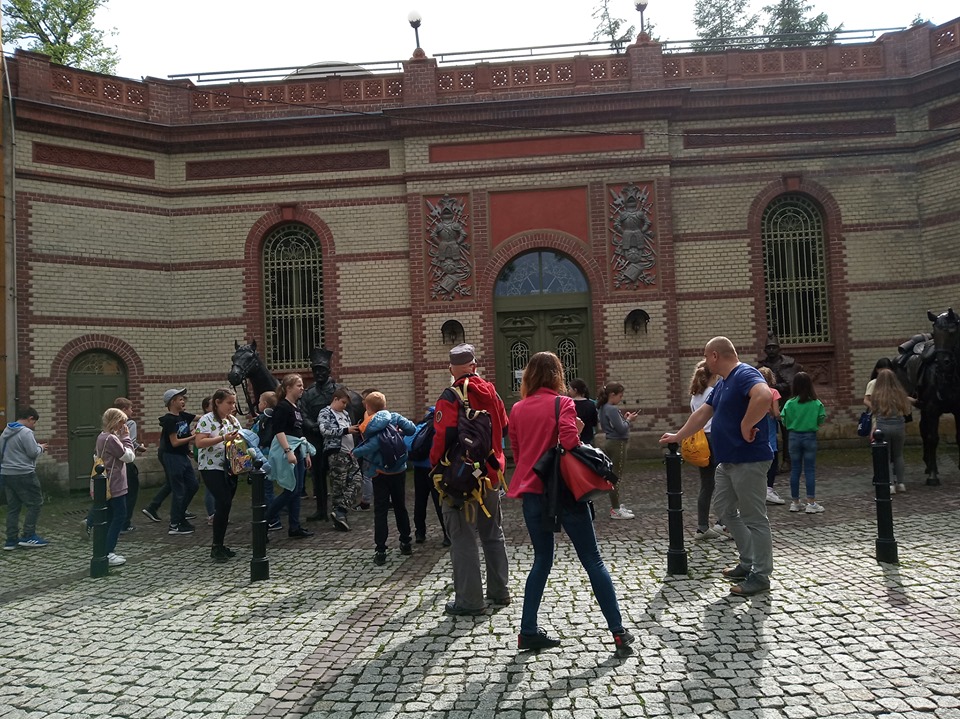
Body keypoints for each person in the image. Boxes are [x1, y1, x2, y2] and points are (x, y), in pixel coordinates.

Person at [508, 352, 635, 653]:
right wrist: (576, 431)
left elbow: (518, 452)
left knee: (541, 560)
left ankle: (527, 631)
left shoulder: (517, 409)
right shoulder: (563, 403)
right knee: (592, 559)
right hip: (564, 491)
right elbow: (568, 442)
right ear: (557, 375)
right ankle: (618, 632)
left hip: (532, 492)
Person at [660, 337, 774, 597]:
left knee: (755, 518)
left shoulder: (745, 374)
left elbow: (764, 395)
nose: (705, 361)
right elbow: (703, 413)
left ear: (714, 355)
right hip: (728, 461)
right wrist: (678, 436)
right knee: (724, 510)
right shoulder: (723, 382)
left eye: (705, 356)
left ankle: (761, 575)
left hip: (748, 459)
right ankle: (747, 562)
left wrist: (746, 424)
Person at [429, 343, 510, 615]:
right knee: (493, 533)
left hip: (461, 477)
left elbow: (442, 437)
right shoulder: (492, 392)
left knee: (463, 538)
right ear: (474, 366)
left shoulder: (451, 395)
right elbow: (504, 428)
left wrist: (435, 465)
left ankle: (470, 601)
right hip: (492, 473)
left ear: (452, 368)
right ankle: (499, 591)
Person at [300, 347, 363, 521]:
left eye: (322, 370)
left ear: (329, 371)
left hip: (338, 441)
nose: (319, 373)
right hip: (317, 440)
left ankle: (340, 509)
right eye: (315, 370)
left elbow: (349, 414)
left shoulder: (339, 391)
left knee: (342, 478)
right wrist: (312, 425)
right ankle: (321, 509)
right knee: (318, 474)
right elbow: (303, 413)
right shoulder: (309, 393)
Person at [353, 391, 416, 566]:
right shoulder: (394, 417)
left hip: (379, 472)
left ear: (367, 407)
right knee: (400, 506)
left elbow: (370, 446)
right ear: (385, 405)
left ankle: (381, 550)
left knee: (380, 511)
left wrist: (355, 453)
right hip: (399, 470)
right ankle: (405, 542)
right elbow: (411, 429)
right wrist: (400, 433)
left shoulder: (368, 425)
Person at [194, 388, 244, 561]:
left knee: (226, 506)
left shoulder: (232, 420)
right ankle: (216, 546)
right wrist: (223, 438)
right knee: (223, 501)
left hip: (230, 466)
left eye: (234, 403)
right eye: (229, 403)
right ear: (217, 402)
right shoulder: (206, 419)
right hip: (211, 467)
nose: (232, 406)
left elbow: (240, 438)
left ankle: (220, 544)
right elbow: (200, 442)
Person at [265, 374, 314, 539]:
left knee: (297, 490)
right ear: (288, 388)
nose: (302, 388)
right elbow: (279, 431)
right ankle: (264, 522)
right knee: (290, 491)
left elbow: (298, 432)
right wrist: (288, 451)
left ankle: (294, 527)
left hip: (298, 451)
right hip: (289, 452)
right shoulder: (282, 407)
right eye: (299, 385)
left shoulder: (296, 407)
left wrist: (305, 454)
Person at [688, 361, 726, 541]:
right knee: (724, 482)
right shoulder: (714, 392)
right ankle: (723, 523)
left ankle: (702, 527)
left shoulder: (695, 396)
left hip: (701, 440)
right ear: (714, 375)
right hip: (715, 439)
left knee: (706, 485)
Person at [1, 406, 49, 549]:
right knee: (35, 503)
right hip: (24, 473)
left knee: (13, 507)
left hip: (7, 473)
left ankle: (11, 540)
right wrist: (41, 447)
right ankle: (29, 535)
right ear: (30, 418)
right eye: (34, 422)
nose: (34, 426)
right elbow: (32, 452)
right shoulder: (26, 432)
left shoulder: (5, 431)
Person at [317, 388, 363, 531]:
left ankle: (341, 510)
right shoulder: (325, 412)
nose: (344, 406)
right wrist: (346, 430)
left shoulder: (345, 414)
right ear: (335, 399)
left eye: (346, 404)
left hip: (350, 452)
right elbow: (325, 431)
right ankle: (340, 517)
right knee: (339, 486)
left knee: (357, 480)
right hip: (336, 453)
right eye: (342, 402)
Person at [781, 372, 826, 513]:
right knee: (809, 470)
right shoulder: (816, 403)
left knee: (795, 469)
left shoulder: (789, 403)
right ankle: (811, 503)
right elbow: (821, 420)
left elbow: (784, 421)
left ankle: (795, 502)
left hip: (793, 437)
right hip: (810, 436)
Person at [95, 407, 136, 566]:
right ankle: (109, 551)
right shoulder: (111, 438)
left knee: (110, 516)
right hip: (115, 483)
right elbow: (128, 457)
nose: (123, 426)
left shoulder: (101, 436)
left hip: (107, 483)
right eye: (122, 423)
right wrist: (126, 438)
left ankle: (104, 549)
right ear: (116, 422)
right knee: (119, 516)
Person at [156, 389, 199, 535]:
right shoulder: (169, 420)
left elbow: (202, 418)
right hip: (172, 456)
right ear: (172, 402)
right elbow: (174, 442)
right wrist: (193, 437)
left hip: (182, 456)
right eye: (180, 399)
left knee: (193, 485)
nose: (183, 401)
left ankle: (181, 517)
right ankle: (174, 525)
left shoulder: (183, 416)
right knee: (179, 490)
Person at [408, 406, 450, 547]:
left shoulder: (421, 425)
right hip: (433, 469)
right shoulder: (439, 427)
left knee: (420, 501)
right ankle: (447, 534)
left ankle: (420, 533)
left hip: (418, 467)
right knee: (439, 502)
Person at [596, 382, 638, 520]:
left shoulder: (603, 407)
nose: (621, 399)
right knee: (616, 476)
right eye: (620, 396)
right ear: (612, 395)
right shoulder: (612, 408)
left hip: (610, 441)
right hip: (617, 443)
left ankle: (617, 505)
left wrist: (624, 419)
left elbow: (614, 425)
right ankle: (616, 509)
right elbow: (621, 429)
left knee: (613, 475)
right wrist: (629, 420)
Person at [870, 368, 912, 494]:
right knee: (898, 455)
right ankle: (901, 483)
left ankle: (890, 485)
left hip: (883, 426)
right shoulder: (900, 394)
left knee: (886, 457)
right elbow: (906, 410)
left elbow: (874, 411)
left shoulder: (877, 395)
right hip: (899, 426)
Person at [113, 397, 147, 532]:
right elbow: (129, 441)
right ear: (124, 410)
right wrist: (138, 447)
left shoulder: (110, 423)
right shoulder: (130, 423)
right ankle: (125, 523)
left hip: (114, 462)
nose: (132, 411)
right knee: (131, 492)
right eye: (130, 408)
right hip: (126, 461)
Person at [757, 367, 785, 506]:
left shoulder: (754, 392)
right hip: (770, 427)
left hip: (757, 426)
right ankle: (768, 489)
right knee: (772, 457)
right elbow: (776, 413)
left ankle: (758, 488)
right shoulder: (773, 392)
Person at [569, 378, 599, 445]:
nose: (569, 391)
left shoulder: (569, 404)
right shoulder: (591, 404)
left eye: (570, 389)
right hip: (588, 438)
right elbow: (594, 422)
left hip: (573, 438)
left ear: (575, 390)